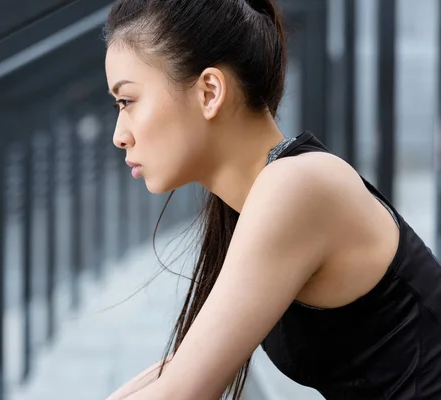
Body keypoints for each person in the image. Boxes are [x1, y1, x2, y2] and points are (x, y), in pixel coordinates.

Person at [103, 0, 441, 399]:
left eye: (127, 102)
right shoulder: (262, 194)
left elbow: (181, 392)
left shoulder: (297, 187)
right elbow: (179, 370)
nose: (119, 135)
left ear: (210, 91)